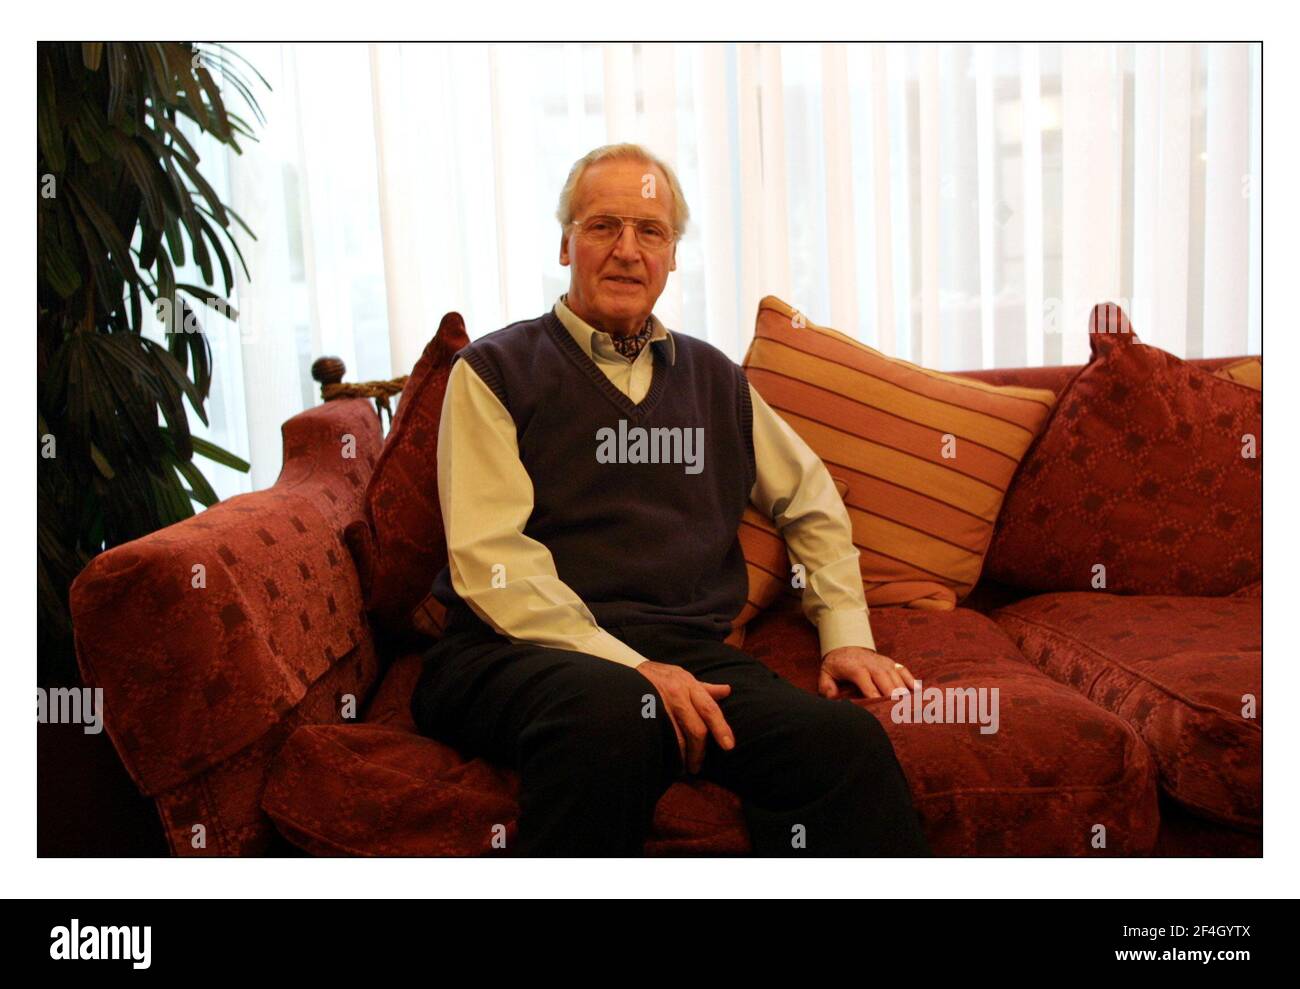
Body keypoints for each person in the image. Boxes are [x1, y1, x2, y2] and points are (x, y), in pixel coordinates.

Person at [411, 142, 931, 857]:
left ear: (673, 256)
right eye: (603, 226)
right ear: (565, 243)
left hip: (686, 653)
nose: (627, 250)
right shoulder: (495, 371)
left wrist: (845, 631)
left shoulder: (715, 379)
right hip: (510, 649)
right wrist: (631, 669)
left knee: (843, 743)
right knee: (619, 712)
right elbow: (491, 560)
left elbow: (811, 498)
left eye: (650, 231)